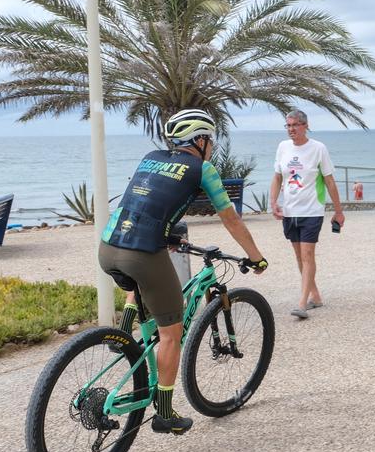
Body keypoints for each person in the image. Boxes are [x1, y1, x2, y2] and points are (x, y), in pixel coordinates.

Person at [99, 109, 268, 435]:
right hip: (142, 253)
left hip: (108, 246)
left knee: (140, 285)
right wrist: (256, 257)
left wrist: (168, 235)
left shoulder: (151, 157)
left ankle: (123, 338)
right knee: (170, 334)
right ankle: (163, 413)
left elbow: (147, 200)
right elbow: (230, 219)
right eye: (211, 140)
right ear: (200, 140)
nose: (212, 147)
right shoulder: (203, 168)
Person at [270, 110, 345, 320]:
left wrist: (338, 211)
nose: (291, 129)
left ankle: (302, 304)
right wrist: (273, 202)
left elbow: (329, 181)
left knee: (307, 255)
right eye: (288, 125)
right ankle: (316, 297)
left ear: (305, 125)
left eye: (295, 125)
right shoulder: (283, 148)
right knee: (298, 256)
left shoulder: (318, 148)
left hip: (312, 210)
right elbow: (277, 177)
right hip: (289, 210)